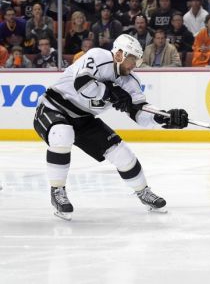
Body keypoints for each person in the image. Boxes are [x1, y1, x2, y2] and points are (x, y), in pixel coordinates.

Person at [32, 34, 189, 220]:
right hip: (53, 107)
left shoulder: (130, 82)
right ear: (120, 54)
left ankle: (143, 191)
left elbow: (140, 113)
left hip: (84, 118)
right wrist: (111, 92)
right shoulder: (98, 56)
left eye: (137, 61)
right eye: (132, 59)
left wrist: (165, 118)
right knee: (62, 134)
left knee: (121, 152)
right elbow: (82, 83)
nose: (134, 65)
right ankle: (57, 191)